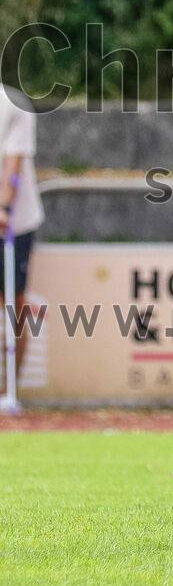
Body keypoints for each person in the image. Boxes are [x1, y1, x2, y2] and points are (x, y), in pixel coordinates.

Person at [0, 83, 44, 378]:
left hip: (16, 223)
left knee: (13, 301)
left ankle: (11, 384)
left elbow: (12, 166)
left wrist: (4, 208)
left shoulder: (13, 103)